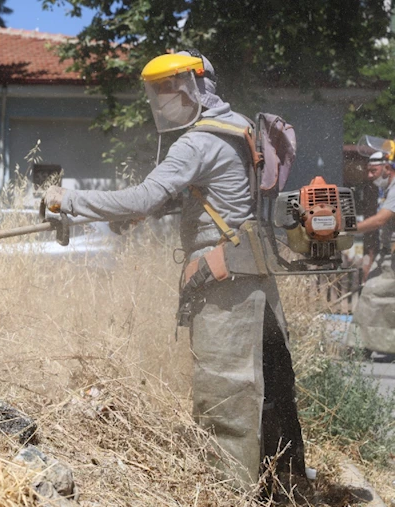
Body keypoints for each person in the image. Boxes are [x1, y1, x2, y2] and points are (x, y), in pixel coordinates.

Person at [43, 50, 306, 491]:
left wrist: (66, 201)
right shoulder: (236, 126)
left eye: (172, 87)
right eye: (159, 90)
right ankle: (283, 487)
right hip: (253, 274)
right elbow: (216, 196)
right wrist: (154, 210)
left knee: (225, 395)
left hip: (225, 284)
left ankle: (229, 493)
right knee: (271, 389)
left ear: (198, 87)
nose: (165, 98)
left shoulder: (197, 141)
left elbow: (143, 197)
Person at [352, 150, 395, 354]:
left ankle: (365, 346)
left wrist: (347, 228)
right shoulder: (387, 190)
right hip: (387, 254)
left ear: (387, 168)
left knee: (372, 294)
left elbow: (380, 221)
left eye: (374, 171)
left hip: (392, 256)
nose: (370, 176)